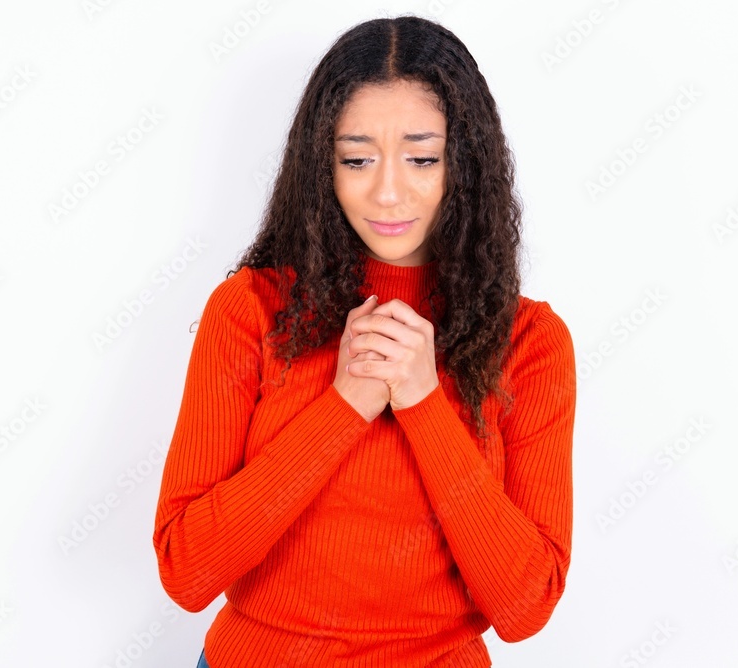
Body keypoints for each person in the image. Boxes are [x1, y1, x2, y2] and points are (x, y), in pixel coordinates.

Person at [153, 14, 576, 668]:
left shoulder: (530, 342)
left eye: (421, 157)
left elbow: (525, 609)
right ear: (321, 166)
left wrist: (422, 403)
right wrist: (344, 403)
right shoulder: (249, 312)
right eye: (357, 158)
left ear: (464, 164)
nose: (386, 189)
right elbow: (186, 571)